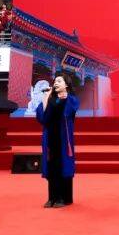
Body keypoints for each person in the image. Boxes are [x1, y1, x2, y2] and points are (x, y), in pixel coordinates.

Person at [35, 74, 79, 208]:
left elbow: (68, 112)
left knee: (62, 166)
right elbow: (42, 118)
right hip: (50, 137)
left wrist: (64, 98)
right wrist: (45, 99)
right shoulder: (50, 99)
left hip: (63, 139)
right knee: (51, 166)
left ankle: (62, 198)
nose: (56, 83)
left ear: (66, 84)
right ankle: (52, 197)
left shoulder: (71, 99)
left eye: (59, 81)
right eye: (55, 81)